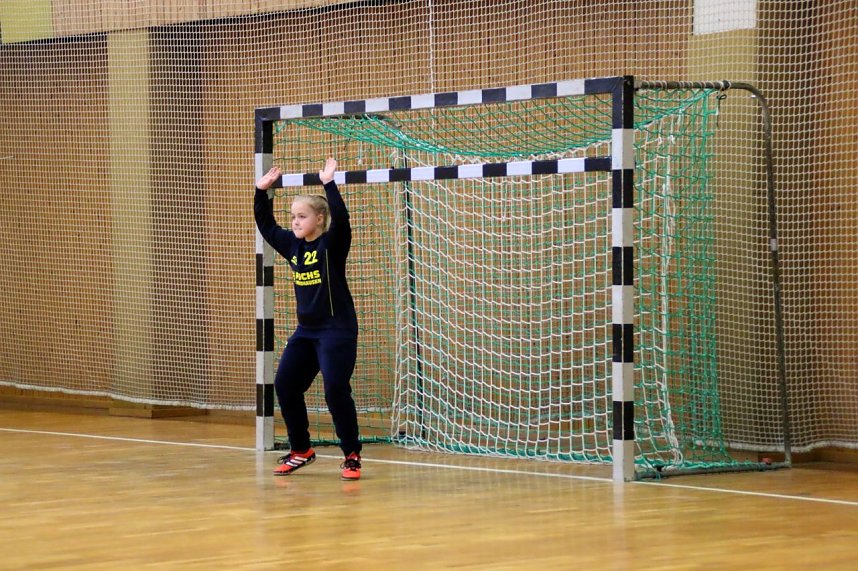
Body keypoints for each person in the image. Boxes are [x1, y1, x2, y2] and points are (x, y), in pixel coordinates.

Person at [254, 157, 362, 481]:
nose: (295, 222)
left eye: (302, 217)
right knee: (285, 384)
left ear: (319, 218)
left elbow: (342, 220)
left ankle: (352, 455)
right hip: (307, 332)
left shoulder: (332, 244)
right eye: (293, 217)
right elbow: (267, 226)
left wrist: (329, 183)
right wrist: (261, 193)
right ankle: (301, 449)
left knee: (334, 389)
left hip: (336, 331)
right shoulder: (293, 246)